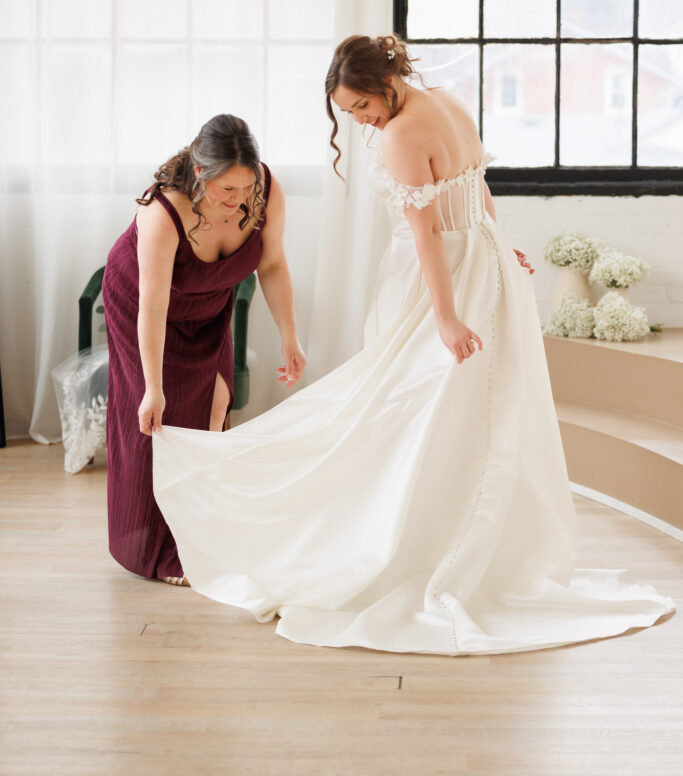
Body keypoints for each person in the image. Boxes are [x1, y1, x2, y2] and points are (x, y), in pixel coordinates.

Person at [152, 37, 674, 654]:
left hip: (437, 280)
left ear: (386, 83)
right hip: (483, 261)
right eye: (348, 112)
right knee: (456, 409)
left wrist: (446, 317)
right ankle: (441, 528)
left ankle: (407, 542)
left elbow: (427, 231)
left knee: (404, 406)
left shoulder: (402, 135)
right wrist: (500, 247)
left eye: (361, 106)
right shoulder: (450, 102)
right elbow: (478, 191)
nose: (359, 120)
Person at [103, 113, 305, 584]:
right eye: (226, 191)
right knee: (161, 421)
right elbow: (151, 306)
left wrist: (289, 335)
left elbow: (272, 265)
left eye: (246, 187)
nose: (238, 203)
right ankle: (155, 549)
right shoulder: (163, 211)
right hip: (145, 303)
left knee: (215, 405)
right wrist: (151, 387)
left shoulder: (265, 189)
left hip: (209, 302)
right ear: (200, 174)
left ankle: (199, 531)